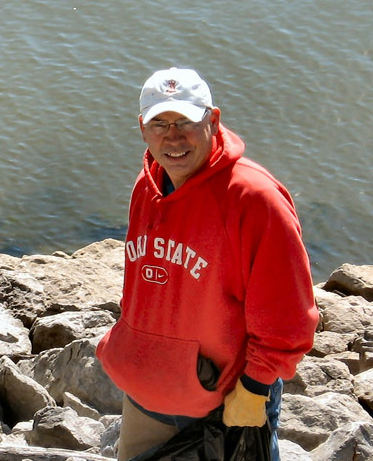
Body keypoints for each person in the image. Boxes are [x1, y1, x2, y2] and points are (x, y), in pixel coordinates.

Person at [96, 67, 318, 461]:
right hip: (147, 392)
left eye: (185, 122)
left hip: (225, 404)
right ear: (142, 129)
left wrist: (255, 387)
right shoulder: (148, 184)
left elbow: (290, 315)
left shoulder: (255, 199)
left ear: (212, 120)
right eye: (159, 123)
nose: (173, 137)